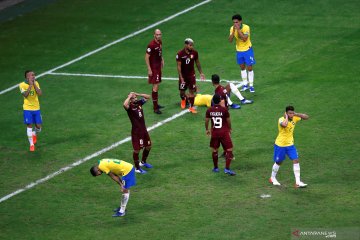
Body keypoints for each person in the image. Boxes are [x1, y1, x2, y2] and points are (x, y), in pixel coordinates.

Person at [269, 106, 309, 188]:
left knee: (296, 160)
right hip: (280, 145)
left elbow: (306, 117)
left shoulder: (295, 117)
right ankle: (272, 178)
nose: (291, 115)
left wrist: (296, 114)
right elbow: (284, 124)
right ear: (286, 113)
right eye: (290, 113)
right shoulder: (281, 119)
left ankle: (297, 182)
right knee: (279, 162)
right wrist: (286, 117)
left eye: (292, 113)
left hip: (290, 144)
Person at [205, 94, 236, 176]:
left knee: (214, 150)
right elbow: (228, 120)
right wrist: (230, 128)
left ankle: (216, 168)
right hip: (224, 133)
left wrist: (207, 129)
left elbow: (207, 120)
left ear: (212, 101)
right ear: (219, 101)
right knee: (229, 149)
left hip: (214, 133)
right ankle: (227, 169)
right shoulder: (224, 110)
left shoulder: (209, 110)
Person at [124, 92, 153, 174]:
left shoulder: (139, 103)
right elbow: (124, 105)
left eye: (136, 97)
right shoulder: (129, 107)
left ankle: (143, 162)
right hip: (136, 132)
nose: (136, 98)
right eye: (134, 98)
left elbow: (148, 97)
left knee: (148, 146)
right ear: (130, 100)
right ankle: (137, 168)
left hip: (143, 130)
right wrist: (129, 96)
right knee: (137, 150)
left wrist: (137, 94)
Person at [176, 38, 205, 114]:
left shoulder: (195, 53)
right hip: (183, 75)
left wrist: (201, 73)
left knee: (191, 91)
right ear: (185, 45)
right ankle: (183, 99)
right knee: (182, 92)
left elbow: (197, 63)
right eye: (190, 45)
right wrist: (181, 77)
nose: (191, 47)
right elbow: (178, 66)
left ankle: (191, 107)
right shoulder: (180, 54)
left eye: (192, 45)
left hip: (191, 75)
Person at [228, 14, 256, 93]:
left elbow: (244, 39)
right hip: (239, 51)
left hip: (248, 50)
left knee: (249, 68)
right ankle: (245, 85)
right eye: (234, 22)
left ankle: (251, 86)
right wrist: (233, 31)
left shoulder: (246, 27)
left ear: (240, 21)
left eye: (236, 22)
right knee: (242, 68)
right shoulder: (232, 28)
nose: (235, 24)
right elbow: (230, 40)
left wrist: (238, 30)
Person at [19, 70, 42, 152]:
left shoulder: (36, 83)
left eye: (34, 75)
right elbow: (25, 95)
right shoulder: (22, 85)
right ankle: (31, 144)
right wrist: (30, 86)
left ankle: (34, 133)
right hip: (27, 109)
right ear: (27, 77)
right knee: (29, 126)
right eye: (32, 75)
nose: (33, 76)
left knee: (39, 127)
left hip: (36, 108)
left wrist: (34, 84)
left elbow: (40, 93)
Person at [145, 29, 164, 114]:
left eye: (160, 34)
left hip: (158, 67)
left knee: (156, 86)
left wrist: (162, 59)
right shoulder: (151, 45)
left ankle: (156, 104)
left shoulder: (160, 42)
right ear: (154, 35)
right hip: (154, 68)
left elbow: (160, 52)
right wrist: (149, 69)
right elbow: (146, 57)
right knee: (155, 87)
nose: (159, 36)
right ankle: (155, 108)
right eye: (157, 34)